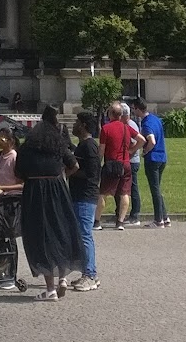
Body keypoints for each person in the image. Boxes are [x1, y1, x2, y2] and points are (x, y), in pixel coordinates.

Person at [16, 108, 82, 299]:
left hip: (35, 191)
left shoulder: (28, 147)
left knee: (40, 237)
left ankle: (50, 288)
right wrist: (60, 177)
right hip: (57, 189)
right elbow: (74, 165)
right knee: (60, 231)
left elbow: (18, 173)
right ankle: (62, 277)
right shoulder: (58, 144)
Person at [68, 111, 102, 290]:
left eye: (77, 122)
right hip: (77, 195)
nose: (74, 125)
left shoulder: (89, 146)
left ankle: (90, 274)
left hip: (85, 196)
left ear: (84, 126)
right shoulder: (81, 146)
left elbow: (93, 173)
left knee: (85, 235)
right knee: (79, 235)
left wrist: (71, 171)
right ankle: (86, 272)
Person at [99, 104, 138, 229]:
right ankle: (120, 221)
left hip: (111, 163)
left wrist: (98, 163)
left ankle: (96, 221)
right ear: (121, 115)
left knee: (103, 193)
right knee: (125, 192)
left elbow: (102, 149)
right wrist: (131, 151)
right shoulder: (127, 128)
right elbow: (141, 139)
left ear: (110, 114)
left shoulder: (106, 128)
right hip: (125, 163)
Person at [137, 101, 170, 227]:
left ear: (138, 109)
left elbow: (152, 140)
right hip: (162, 157)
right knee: (157, 188)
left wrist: (145, 151)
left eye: (134, 109)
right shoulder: (155, 119)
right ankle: (164, 216)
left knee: (154, 189)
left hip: (153, 158)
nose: (134, 112)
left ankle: (158, 220)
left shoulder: (146, 123)